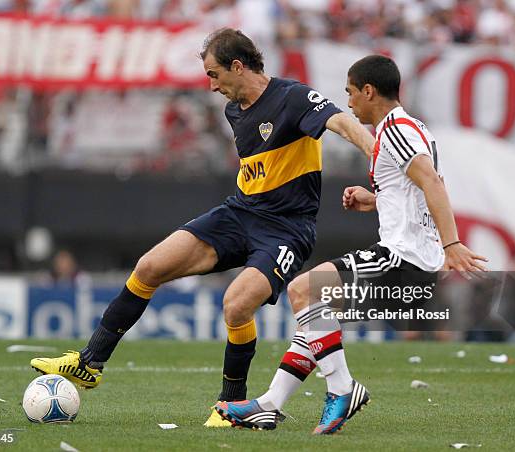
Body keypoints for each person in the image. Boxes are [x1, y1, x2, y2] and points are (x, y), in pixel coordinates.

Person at [30, 28, 375, 427]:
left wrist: (376, 153)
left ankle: (231, 405)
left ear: (238, 66)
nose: (211, 86)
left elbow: (341, 123)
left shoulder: (293, 97)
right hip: (239, 214)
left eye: (214, 74)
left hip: (286, 229)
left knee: (236, 305)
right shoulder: (234, 111)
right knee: (148, 267)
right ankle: (90, 363)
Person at [215, 55, 488, 434]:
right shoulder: (415, 128)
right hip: (412, 259)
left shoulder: (394, 130)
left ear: (369, 91)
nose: (348, 102)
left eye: (350, 93)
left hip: (402, 258)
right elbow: (415, 188)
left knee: (301, 289)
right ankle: (269, 404)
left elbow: (433, 184)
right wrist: (376, 199)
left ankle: (343, 390)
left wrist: (453, 243)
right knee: (315, 323)